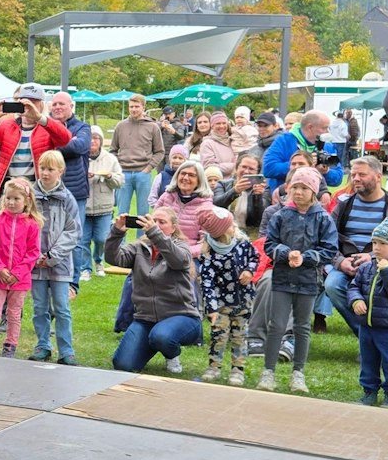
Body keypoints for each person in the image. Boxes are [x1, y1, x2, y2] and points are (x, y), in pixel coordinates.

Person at [255, 167, 338, 394]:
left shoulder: (323, 218)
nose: (299, 192)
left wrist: (306, 258)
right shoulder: (280, 216)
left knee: (302, 326)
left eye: (304, 188)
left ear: (314, 192)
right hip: (282, 278)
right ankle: (268, 371)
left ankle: (298, 373)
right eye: (295, 187)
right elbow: (269, 244)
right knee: (277, 325)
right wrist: (285, 253)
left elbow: (329, 249)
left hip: (308, 280)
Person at [105, 207, 200, 374]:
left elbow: (179, 261)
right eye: (153, 221)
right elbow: (113, 258)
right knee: (123, 365)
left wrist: (155, 233)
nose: (156, 225)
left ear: (173, 227)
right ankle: (154, 342)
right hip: (145, 319)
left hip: (181, 316)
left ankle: (171, 354)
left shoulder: (181, 247)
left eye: (162, 222)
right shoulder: (139, 247)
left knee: (161, 336)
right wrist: (117, 232)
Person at [323, 156, 388, 329]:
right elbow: (326, 238)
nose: (355, 179)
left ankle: (374, 333)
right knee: (333, 285)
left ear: (378, 177)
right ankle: (365, 331)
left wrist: (372, 258)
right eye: (353, 174)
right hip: (347, 263)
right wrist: (340, 262)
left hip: (383, 267)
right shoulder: (343, 204)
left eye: (362, 175)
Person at [347, 218, 388, 407]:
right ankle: (369, 391)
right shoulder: (367, 267)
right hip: (367, 325)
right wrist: (356, 300)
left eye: (383, 243)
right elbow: (353, 286)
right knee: (368, 361)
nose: (376, 247)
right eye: (375, 242)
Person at [0, 83, 72, 201]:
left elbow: (65, 139)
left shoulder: (49, 126)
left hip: (37, 193)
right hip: (10, 192)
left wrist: (39, 118)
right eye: (25, 102)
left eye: (33, 102)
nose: (29, 106)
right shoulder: (6, 126)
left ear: (41, 104)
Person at [28, 150, 82, 365]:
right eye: (42, 168)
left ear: (60, 171)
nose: (45, 173)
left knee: (61, 308)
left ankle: (66, 350)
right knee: (39, 307)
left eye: (50, 169)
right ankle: (43, 345)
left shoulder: (67, 199)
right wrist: (34, 255)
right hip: (35, 263)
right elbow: (25, 227)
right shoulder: (30, 196)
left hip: (60, 263)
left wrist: (52, 255)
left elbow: (73, 232)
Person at [0, 179, 42, 357]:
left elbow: (33, 253)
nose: (11, 202)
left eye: (16, 199)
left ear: (26, 201)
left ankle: (10, 345)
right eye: (8, 198)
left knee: (14, 314)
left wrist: (17, 273)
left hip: (19, 280)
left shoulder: (32, 225)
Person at [196, 205, 258, 384]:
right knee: (219, 336)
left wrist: (249, 271)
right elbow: (207, 283)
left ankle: (237, 370)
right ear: (221, 232)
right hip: (220, 305)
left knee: (240, 336)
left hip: (243, 301)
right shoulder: (209, 254)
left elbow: (255, 258)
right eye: (230, 225)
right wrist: (212, 308)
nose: (235, 226)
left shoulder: (243, 244)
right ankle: (214, 367)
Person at [48, 93, 99, 281]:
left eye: (61, 103)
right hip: (49, 190)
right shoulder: (45, 126)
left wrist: (54, 145)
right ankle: (49, 278)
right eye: (54, 104)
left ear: (71, 106)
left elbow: (79, 147)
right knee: (48, 237)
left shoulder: (82, 127)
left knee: (74, 238)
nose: (57, 107)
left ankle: (73, 282)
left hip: (75, 191)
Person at [112, 93, 164, 221]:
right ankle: (120, 235)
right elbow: (113, 150)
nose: (134, 109)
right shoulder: (120, 126)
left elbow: (159, 151)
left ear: (143, 107)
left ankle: (142, 235)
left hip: (143, 173)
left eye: (137, 106)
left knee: (143, 213)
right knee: (122, 212)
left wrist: (148, 168)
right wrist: (118, 168)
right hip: (124, 173)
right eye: (131, 107)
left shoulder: (153, 127)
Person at [262, 111, 343, 193]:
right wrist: (301, 165)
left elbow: (338, 178)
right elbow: (268, 169)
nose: (328, 132)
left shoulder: (327, 146)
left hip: (314, 198)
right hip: (286, 196)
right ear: (310, 127)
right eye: (324, 128)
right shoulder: (284, 140)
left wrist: (326, 171)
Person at [83, 127, 124, 278]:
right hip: (84, 206)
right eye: (89, 138)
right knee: (83, 240)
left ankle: (98, 261)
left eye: (96, 138)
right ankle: (85, 268)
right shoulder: (79, 157)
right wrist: (83, 176)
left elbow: (120, 182)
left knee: (101, 238)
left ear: (100, 141)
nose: (92, 141)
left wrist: (109, 176)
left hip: (104, 206)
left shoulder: (110, 159)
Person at [153, 159, 214, 255]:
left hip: (188, 255)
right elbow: (152, 225)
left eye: (191, 175)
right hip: (161, 249)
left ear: (199, 181)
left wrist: (181, 254)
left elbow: (204, 243)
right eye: (183, 173)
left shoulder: (206, 207)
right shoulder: (166, 196)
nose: (185, 178)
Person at [214, 154, 271, 233]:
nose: (246, 171)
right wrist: (235, 191)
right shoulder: (222, 184)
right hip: (224, 231)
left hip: (251, 233)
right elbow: (216, 205)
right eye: (244, 167)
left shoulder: (264, 189)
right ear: (237, 168)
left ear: (257, 172)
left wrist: (258, 197)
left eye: (251, 169)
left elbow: (260, 220)